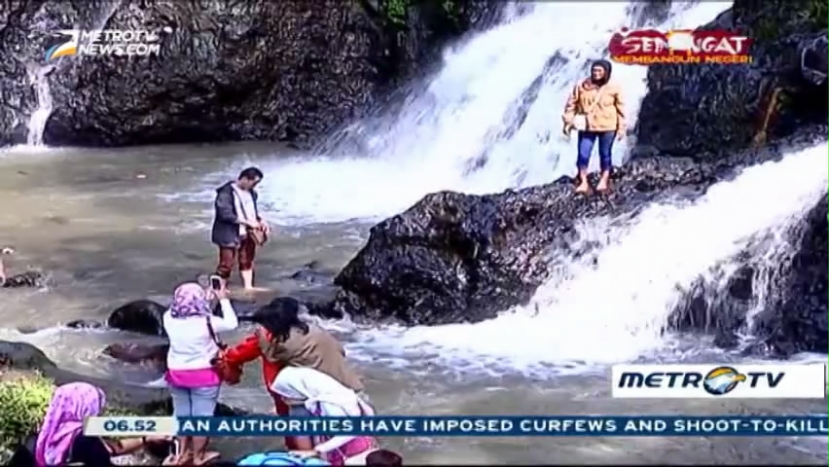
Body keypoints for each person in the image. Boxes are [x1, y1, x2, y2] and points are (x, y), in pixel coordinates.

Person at [249, 301, 365, 450]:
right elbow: (341, 350)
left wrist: (263, 339)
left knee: (299, 423)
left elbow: (271, 357)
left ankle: (306, 455)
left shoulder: (285, 342)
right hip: (344, 381)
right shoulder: (315, 330)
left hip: (317, 389)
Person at [163, 282, 239, 465]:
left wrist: (206, 300)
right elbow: (232, 323)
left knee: (181, 414)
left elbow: (184, 309)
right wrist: (223, 299)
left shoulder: (168, 319)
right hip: (204, 375)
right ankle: (198, 456)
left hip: (176, 373)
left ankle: (180, 454)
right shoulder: (209, 322)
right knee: (202, 417)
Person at [17, 382, 167, 466]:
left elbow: (110, 448)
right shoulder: (85, 442)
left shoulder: (38, 439)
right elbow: (100, 454)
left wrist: (145, 439)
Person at [272, 367, 381, 466]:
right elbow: (368, 413)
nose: (284, 399)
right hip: (356, 445)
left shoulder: (331, 405)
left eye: (287, 393)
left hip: (351, 451)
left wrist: (316, 451)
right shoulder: (333, 392)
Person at [562, 59, 626, 194]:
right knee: (583, 154)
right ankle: (583, 181)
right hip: (588, 126)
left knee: (605, 154)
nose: (596, 73)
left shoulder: (614, 87)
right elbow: (571, 104)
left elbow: (620, 109)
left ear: (606, 72)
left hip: (608, 126)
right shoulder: (582, 85)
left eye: (599, 71)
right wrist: (568, 121)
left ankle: (604, 179)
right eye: (594, 70)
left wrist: (621, 128)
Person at [211, 166, 271, 290]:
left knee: (247, 260)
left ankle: (248, 287)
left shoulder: (252, 193)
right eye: (254, 182)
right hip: (228, 233)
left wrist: (260, 220)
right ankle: (219, 289)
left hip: (247, 231)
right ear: (244, 179)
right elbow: (225, 214)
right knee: (226, 264)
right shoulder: (225, 193)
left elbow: (252, 212)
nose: (255, 186)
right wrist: (248, 222)